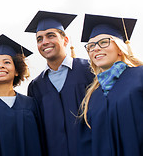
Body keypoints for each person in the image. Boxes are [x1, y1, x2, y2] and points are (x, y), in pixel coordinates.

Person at [78, 14, 143, 156]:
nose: (96, 48)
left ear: (120, 48)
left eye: (103, 42)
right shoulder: (92, 98)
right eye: (91, 46)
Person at [25, 11, 94, 156]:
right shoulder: (36, 86)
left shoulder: (89, 70)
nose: (45, 42)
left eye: (51, 35)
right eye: (39, 39)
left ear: (66, 40)